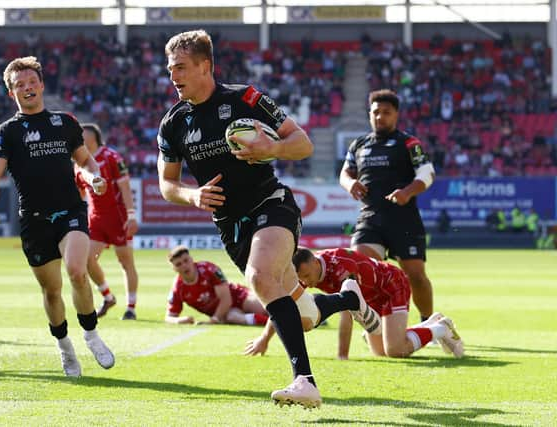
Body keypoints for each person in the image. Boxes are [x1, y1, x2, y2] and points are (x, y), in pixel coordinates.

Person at [157, 29, 334, 408]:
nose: (173, 76)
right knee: (303, 314)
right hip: (229, 225)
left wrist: (272, 147)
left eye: (181, 67)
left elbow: (303, 143)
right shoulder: (172, 123)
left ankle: (304, 381)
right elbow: (167, 183)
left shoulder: (245, 99)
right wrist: (192, 194)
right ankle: (348, 300)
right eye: (170, 68)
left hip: (271, 203)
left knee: (259, 277)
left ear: (205, 66)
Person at [0, 56, 114, 377]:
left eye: (31, 82)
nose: (27, 88)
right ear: (12, 93)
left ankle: (91, 335)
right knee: (52, 292)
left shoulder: (65, 122)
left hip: (70, 211)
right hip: (34, 220)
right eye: (19, 85)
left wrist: (94, 176)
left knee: (77, 271)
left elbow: (86, 159)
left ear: (41, 85)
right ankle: (66, 349)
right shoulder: (7, 132)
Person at [340, 89, 436, 323]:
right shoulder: (358, 145)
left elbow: (428, 173)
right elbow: (344, 172)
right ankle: (373, 325)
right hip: (370, 219)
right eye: (376, 112)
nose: (380, 117)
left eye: (386, 112)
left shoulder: (409, 143)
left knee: (416, 277)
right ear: (369, 114)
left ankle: (427, 322)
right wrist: (350, 183)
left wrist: (407, 192)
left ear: (396, 115)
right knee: (360, 271)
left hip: (404, 220)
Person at [292, 247, 463, 359]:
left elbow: (346, 313)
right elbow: (287, 303)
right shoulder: (308, 270)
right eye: (301, 278)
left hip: (391, 285)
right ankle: (430, 324)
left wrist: (342, 356)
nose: (305, 282)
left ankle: (441, 329)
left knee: (396, 350)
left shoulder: (341, 268)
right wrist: (265, 340)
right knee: (381, 352)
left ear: (315, 262)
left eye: (306, 276)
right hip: (370, 297)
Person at [75, 123, 140, 321]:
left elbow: (125, 187)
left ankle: (131, 307)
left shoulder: (111, 157)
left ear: (93, 138)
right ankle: (108, 296)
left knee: (126, 262)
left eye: (83, 136)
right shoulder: (79, 164)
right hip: (95, 219)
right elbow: (80, 193)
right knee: (86, 260)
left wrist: (131, 215)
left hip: (118, 218)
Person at [165, 246, 269, 326]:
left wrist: (214, 319)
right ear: (174, 269)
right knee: (232, 318)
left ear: (191, 259)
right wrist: (179, 320)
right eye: (178, 264)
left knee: (265, 308)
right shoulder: (178, 287)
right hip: (225, 312)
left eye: (186, 260)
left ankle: (279, 319)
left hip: (239, 296)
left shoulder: (208, 269)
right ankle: (274, 325)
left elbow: (226, 299)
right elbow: (169, 317)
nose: (184, 266)